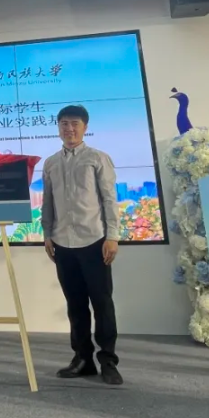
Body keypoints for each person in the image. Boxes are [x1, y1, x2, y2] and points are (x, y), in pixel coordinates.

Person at [41, 105, 123, 385]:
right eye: (64, 123)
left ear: (85, 127)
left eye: (74, 123)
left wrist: (112, 236)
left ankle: (108, 360)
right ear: (58, 128)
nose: (69, 129)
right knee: (75, 305)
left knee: (102, 303)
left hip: (94, 241)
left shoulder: (97, 158)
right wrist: (47, 233)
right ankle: (83, 359)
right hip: (62, 242)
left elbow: (109, 199)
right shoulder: (51, 163)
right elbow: (47, 202)